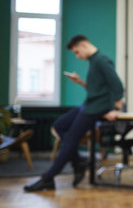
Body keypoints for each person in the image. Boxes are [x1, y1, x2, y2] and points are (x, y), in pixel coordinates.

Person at [24, 35, 124, 192]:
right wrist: (81, 82)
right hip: (89, 104)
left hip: (96, 108)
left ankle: (48, 178)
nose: (77, 56)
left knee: (70, 140)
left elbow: (117, 85)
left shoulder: (101, 60)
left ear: (84, 45)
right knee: (59, 125)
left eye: (77, 52)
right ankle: (78, 162)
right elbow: (96, 89)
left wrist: (117, 109)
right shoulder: (93, 61)